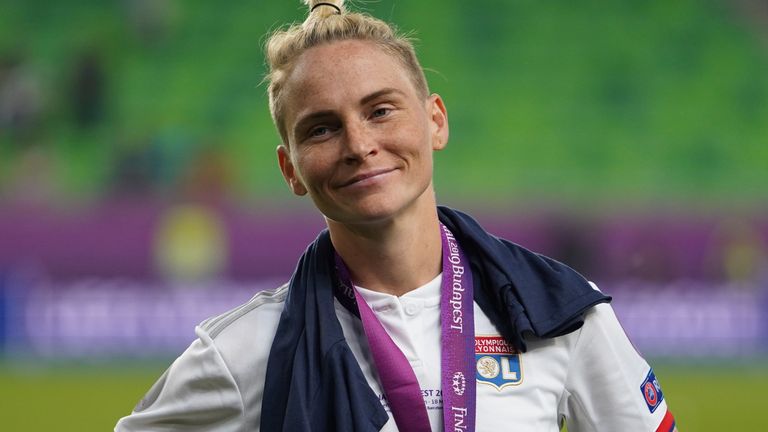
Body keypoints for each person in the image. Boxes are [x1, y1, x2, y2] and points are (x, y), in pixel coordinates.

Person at [115, 1, 677, 431]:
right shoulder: (245, 352)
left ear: (435, 121)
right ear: (291, 170)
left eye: (380, 110)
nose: (359, 145)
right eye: (322, 128)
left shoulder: (558, 310)